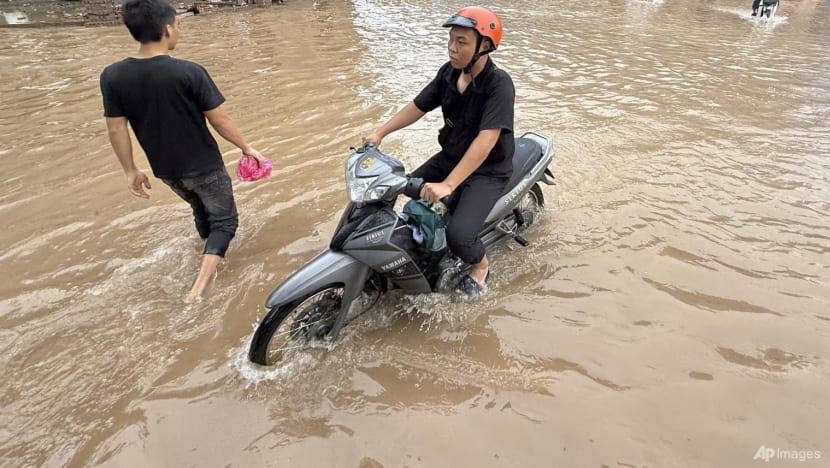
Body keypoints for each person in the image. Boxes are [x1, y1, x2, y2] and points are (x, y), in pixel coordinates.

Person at [100, 0, 263, 304]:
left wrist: (130, 170)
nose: (178, 32)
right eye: (178, 25)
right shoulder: (189, 72)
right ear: (167, 29)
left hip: (167, 171)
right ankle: (199, 288)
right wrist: (247, 147)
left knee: (200, 210)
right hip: (204, 166)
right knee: (226, 222)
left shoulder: (112, 76)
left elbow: (116, 129)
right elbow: (220, 119)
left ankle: (209, 253)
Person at [363, 6, 515, 300]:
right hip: (451, 157)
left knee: (460, 236)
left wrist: (448, 184)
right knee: (392, 188)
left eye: (462, 42)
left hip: (488, 170)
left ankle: (480, 266)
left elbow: (486, 140)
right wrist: (379, 132)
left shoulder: (499, 85)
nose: (452, 48)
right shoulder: (449, 73)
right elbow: (418, 106)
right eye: (451, 40)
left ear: (484, 46)